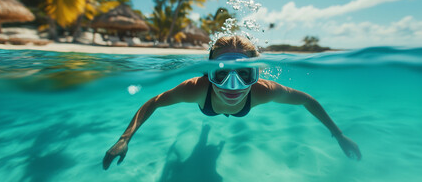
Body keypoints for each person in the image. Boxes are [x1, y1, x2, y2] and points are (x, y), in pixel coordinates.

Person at [103, 36, 362, 170]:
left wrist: (338, 135)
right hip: (208, 108)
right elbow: (154, 102)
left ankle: (208, 139)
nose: (232, 87)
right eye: (221, 73)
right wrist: (126, 138)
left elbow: (307, 100)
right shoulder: (196, 89)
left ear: (256, 76)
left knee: (208, 148)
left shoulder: (263, 91)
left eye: (245, 75)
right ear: (208, 73)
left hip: (221, 108)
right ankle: (208, 137)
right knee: (208, 147)